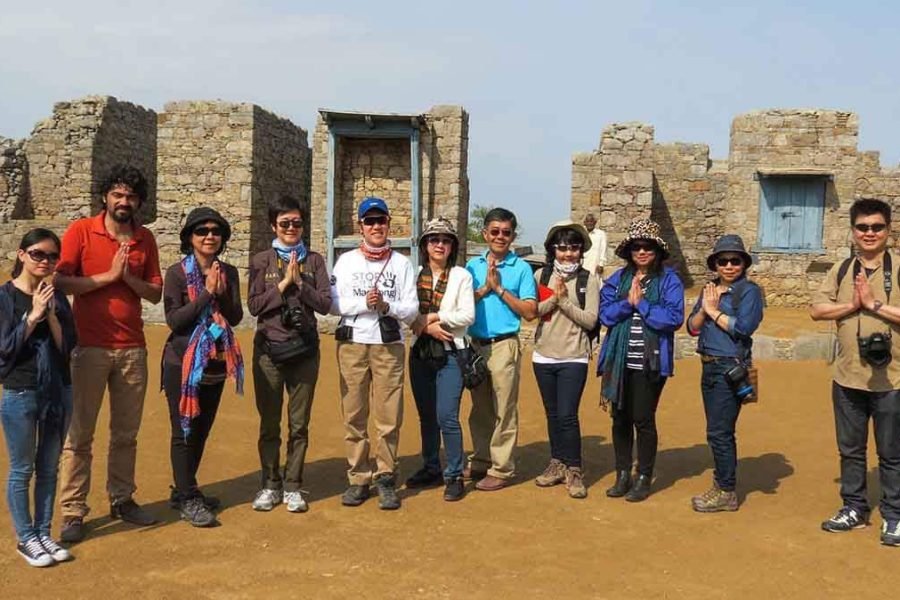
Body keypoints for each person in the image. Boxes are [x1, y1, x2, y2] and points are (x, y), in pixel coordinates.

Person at [55, 165, 163, 542]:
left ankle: (122, 498)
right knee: (79, 435)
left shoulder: (144, 239)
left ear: (139, 202)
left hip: (132, 349)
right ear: (105, 196)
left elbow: (155, 292)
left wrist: (127, 278)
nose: (124, 202)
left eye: (131, 197)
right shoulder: (82, 231)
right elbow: (60, 280)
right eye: (118, 195)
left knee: (125, 434)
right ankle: (72, 511)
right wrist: (106, 278)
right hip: (88, 348)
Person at [811, 198, 900, 546]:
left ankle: (894, 515)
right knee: (850, 450)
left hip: (893, 378)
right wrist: (852, 305)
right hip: (847, 377)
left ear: (888, 231)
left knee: (892, 453)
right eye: (862, 227)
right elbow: (817, 310)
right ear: (852, 231)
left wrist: (874, 305)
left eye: (877, 227)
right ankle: (854, 507)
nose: (869, 233)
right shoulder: (843, 269)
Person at [331, 197, 418, 510]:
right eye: (370, 221)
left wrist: (385, 306)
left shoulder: (401, 264)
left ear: (388, 223)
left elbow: (411, 309)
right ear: (360, 227)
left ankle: (385, 476)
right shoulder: (346, 262)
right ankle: (358, 477)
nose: (376, 226)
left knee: (388, 415)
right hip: (353, 343)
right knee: (354, 413)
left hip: (388, 345)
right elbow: (332, 304)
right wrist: (363, 305)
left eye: (381, 220)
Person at [247, 197, 331, 513]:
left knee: (299, 424)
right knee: (269, 423)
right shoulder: (261, 260)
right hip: (269, 351)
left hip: (304, 351)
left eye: (297, 223)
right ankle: (270, 483)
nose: (291, 228)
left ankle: (293, 485)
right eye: (285, 223)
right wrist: (284, 284)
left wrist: (301, 284)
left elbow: (324, 305)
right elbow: (254, 306)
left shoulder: (315, 261)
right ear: (273, 226)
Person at [162, 207, 244, 527]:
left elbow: (235, 317)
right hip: (181, 363)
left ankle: (186, 488)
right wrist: (207, 293)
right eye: (201, 231)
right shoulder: (177, 274)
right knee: (183, 430)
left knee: (202, 430)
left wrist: (221, 295)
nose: (209, 236)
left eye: (215, 231)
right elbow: (175, 320)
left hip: (215, 361)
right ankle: (187, 497)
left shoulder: (230, 273)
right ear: (189, 238)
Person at [0, 229, 77, 566]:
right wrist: (32, 315)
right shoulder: (4, 298)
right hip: (20, 390)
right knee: (22, 469)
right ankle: (26, 537)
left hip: (57, 389)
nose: (45, 261)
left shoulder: (57, 297)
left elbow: (67, 348)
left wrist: (51, 315)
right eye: (38, 254)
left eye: (51, 256)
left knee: (48, 468)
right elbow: (4, 350)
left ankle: (44, 532)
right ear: (21, 255)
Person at [598, 218, 684, 502]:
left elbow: (672, 318)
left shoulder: (668, 280)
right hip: (619, 360)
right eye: (637, 247)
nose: (642, 252)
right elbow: (605, 314)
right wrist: (628, 303)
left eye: (648, 247)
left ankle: (644, 476)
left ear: (657, 251)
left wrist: (642, 305)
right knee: (619, 418)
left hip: (650, 362)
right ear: (630, 251)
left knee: (643, 419)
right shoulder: (619, 279)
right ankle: (623, 473)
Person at [686, 235, 763, 512]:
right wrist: (705, 310)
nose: (729, 266)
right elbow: (692, 327)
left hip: (729, 367)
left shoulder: (749, 292)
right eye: (723, 261)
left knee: (720, 432)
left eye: (735, 260)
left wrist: (713, 310)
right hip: (708, 365)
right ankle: (723, 486)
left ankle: (726, 489)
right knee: (716, 430)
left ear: (743, 263)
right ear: (715, 265)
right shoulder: (710, 289)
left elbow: (744, 328)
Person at [465, 207, 538, 491]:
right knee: (479, 409)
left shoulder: (521, 268)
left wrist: (499, 290)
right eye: (494, 231)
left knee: (504, 409)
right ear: (485, 233)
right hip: (476, 345)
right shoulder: (472, 266)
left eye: (506, 232)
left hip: (504, 344)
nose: (500, 237)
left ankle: (502, 468)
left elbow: (530, 311)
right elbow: (460, 303)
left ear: (513, 235)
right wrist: (484, 289)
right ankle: (482, 459)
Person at [406, 217, 475, 501]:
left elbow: (466, 315)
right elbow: (404, 313)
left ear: (452, 247)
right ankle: (431, 465)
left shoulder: (461, 276)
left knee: (447, 415)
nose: (439, 245)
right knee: (427, 416)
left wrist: (432, 319)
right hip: (421, 353)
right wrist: (423, 327)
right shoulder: (412, 274)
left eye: (445, 241)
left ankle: (455, 473)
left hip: (450, 354)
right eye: (434, 240)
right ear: (425, 246)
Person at [532, 220, 600, 499]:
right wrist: (553, 301)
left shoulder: (588, 280)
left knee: (567, 415)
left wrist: (564, 302)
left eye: (573, 248)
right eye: (562, 248)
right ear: (552, 250)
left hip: (574, 356)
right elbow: (533, 311)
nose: (568, 254)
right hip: (543, 355)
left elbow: (591, 319)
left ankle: (574, 468)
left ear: (581, 251)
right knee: (552, 414)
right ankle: (557, 462)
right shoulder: (541, 277)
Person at [582, 213, 608, 280]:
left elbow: (603, 250)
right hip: (583, 264)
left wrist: (601, 264)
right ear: (584, 223)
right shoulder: (581, 234)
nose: (589, 223)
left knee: (595, 285)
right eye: (587, 221)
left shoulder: (601, 234)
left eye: (591, 221)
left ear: (595, 222)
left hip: (595, 265)